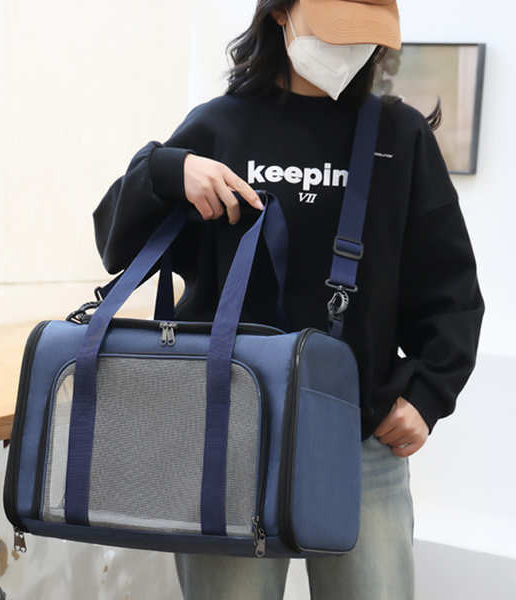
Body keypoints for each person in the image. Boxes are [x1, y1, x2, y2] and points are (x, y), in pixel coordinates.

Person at [92, 0, 485, 598]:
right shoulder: (219, 127)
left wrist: (430, 392)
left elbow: (450, 285)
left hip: (359, 440)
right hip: (224, 440)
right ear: (281, 14)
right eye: (335, 30)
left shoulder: (398, 137)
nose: (348, 49)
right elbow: (114, 242)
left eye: (362, 36)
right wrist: (167, 171)